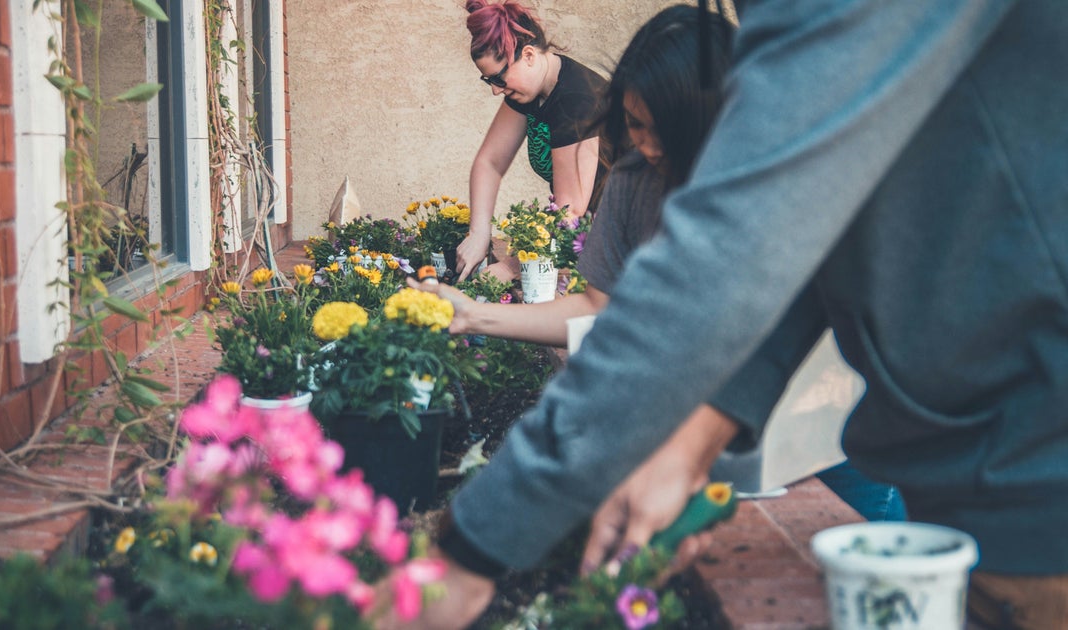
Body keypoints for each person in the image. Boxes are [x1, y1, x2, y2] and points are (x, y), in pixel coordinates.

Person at [381, 0, 1068, 628]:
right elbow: (790, 258)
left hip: (1028, 473)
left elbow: (732, 255)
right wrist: (688, 445)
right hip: (971, 473)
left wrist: (477, 546)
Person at [418, 5, 906, 524]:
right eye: (633, 125)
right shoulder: (632, 181)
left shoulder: (778, 181)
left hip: (833, 421)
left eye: (660, 129)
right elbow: (597, 307)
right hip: (723, 431)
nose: (645, 147)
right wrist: (473, 315)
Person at [454, 0, 610, 283]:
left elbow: (570, 215)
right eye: (487, 80)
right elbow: (490, 162)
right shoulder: (530, 91)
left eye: (499, 78)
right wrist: (478, 234)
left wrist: (510, 267)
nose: (495, 90)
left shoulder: (575, 102)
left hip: (626, 240)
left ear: (528, 55)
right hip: (587, 240)